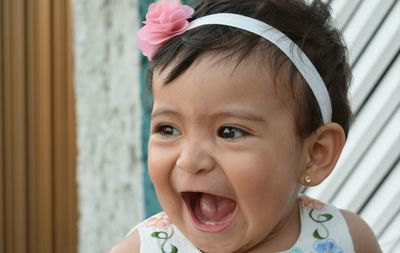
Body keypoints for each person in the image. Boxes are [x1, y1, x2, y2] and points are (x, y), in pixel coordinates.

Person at [110, 0, 382, 252]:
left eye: (230, 132)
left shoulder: (348, 239)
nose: (190, 161)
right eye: (168, 129)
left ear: (315, 154)